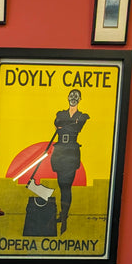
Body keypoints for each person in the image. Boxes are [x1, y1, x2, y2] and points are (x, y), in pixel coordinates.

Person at [50, 89, 89, 233]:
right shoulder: (61, 113)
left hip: (71, 154)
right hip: (60, 153)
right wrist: (71, 125)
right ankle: (63, 215)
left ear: (80, 99)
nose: (73, 98)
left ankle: (64, 217)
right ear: (67, 97)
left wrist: (65, 126)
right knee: (62, 186)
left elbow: (77, 127)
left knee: (67, 187)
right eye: (71, 95)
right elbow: (58, 123)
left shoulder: (83, 116)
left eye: (76, 96)